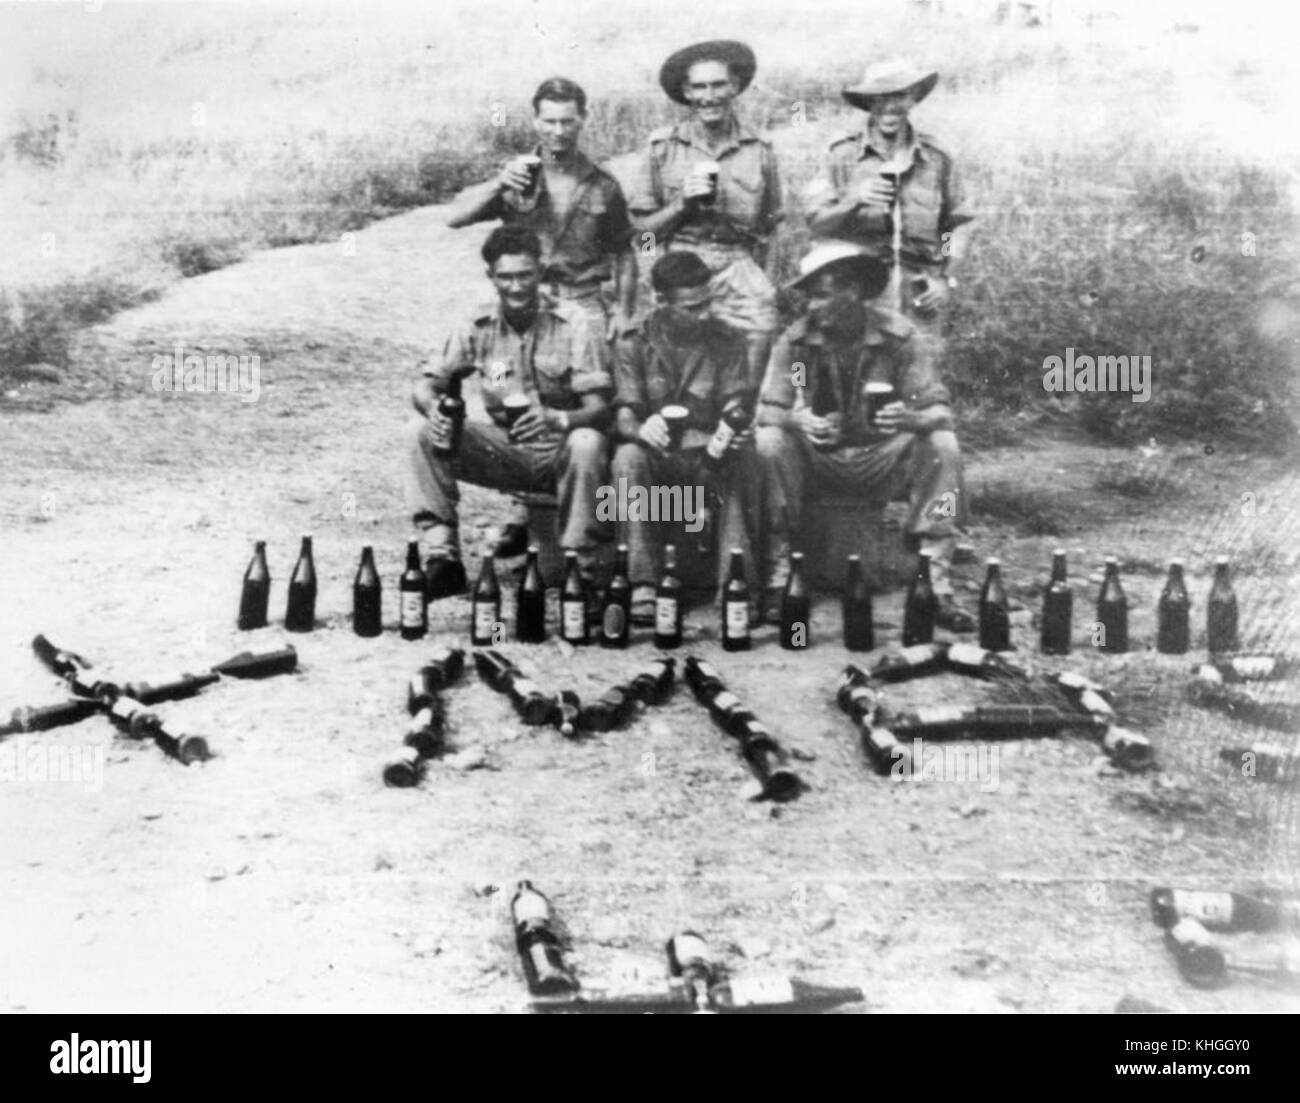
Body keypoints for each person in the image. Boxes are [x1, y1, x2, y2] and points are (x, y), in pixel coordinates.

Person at [444, 76, 636, 558]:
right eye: (548, 121)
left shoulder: (602, 184)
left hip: (583, 298)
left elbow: (625, 252)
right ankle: (524, 513)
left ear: (583, 120)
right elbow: (455, 216)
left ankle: (591, 520)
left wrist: (626, 313)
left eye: (567, 121)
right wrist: (496, 183)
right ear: (535, 121)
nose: (558, 132)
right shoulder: (515, 177)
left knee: (587, 406)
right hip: (526, 297)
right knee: (513, 395)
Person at [754, 243, 974, 630]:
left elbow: (940, 412)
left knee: (942, 446)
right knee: (771, 441)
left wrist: (911, 418)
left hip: (881, 458)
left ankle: (935, 583)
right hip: (820, 459)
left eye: (821, 295)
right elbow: (769, 409)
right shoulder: (798, 342)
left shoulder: (898, 338)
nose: (811, 307)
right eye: (808, 297)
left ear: (852, 291)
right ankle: (778, 577)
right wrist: (798, 420)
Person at [406, 225, 611, 598]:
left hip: (561, 452)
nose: (516, 287)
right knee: (419, 430)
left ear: (540, 273)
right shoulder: (478, 324)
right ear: (491, 277)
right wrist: (435, 409)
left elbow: (599, 409)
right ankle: (442, 556)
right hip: (507, 451)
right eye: (506, 277)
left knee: (587, 441)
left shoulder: (573, 321)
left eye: (524, 276)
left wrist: (558, 418)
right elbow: (426, 383)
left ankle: (581, 570)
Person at [610, 252, 759, 622]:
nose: (704, 314)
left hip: (707, 457)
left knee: (740, 458)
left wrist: (733, 429)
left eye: (707, 302)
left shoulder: (728, 339)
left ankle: (736, 585)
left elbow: (735, 404)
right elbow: (625, 413)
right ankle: (644, 584)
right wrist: (640, 429)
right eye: (691, 307)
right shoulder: (633, 342)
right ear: (661, 301)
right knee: (628, 458)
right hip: (657, 458)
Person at [627, 39, 782, 388]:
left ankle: (743, 419)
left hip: (736, 261)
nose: (709, 96)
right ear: (686, 92)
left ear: (735, 87)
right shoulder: (662, 148)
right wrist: (680, 204)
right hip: (680, 260)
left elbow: (772, 227)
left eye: (718, 85)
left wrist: (768, 284)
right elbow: (642, 233)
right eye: (699, 87)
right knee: (675, 360)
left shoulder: (759, 150)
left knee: (762, 331)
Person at [804, 59, 975, 368]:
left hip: (918, 287)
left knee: (920, 382)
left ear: (913, 100)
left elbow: (955, 225)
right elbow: (817, 223)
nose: (889, 107)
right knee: (855, 374)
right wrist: (854, 201)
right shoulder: (841, 155)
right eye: (880, 98)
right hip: (859, 285)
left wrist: (945, 278)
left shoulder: (937, 158)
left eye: (899, 96)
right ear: (869, 103)